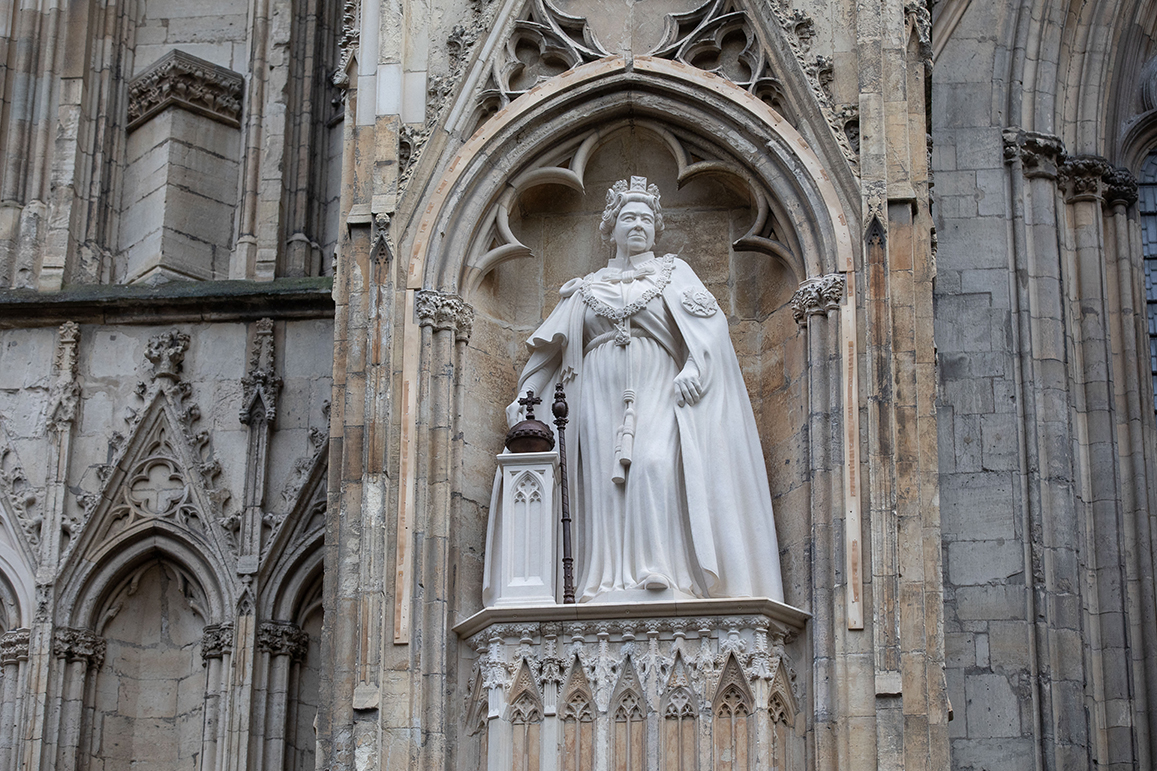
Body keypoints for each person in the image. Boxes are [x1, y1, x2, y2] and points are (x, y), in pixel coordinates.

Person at [498, 176, 783, 603]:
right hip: (593, 390)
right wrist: (527, 397)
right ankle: (603, 581)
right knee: (601, 482)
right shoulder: (584, 288)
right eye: (629, 217)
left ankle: (661, 568)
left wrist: (693, 365)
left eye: (647, 219)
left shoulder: (674, 273)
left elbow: (710, 330)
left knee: (652, 464)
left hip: (660, 385)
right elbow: (548, 354)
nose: (639, 225)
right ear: (609, 228)